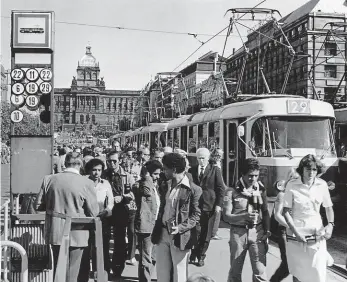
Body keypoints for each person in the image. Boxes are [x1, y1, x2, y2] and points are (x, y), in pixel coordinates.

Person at [35, 152, 99, 282]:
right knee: (73, 271)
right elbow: (94, 212)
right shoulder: (87, 183)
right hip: (78, 232)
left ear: (64, 164)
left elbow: (37, 205)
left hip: (55, 231)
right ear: (80, 164)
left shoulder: (49, 179)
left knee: (58, 269)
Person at [282, 154, 334, 282]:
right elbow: (285, 212)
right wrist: (296, 232)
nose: (311, 172)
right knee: (299, 274)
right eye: (308, 169)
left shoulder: (322, 185)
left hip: (317, 236)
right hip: (296, 237)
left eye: (315, 170)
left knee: (318, 273)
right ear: (302, 170)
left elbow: (328, 208)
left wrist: (331, 225)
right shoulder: (292, 185)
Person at [151, 153, 202, 282]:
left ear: (174, 170)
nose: (163, 171)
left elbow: (196, 215)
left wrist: (180, 227)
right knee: (162, 273)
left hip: (180, 236)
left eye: (165, 168)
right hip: (162, 233)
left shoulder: (193, 189)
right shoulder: (165, 185)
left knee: (179, 274)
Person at [222, 158, 270, 282]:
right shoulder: (231, 191)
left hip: (257, 232)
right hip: (238, 234)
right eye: (250, 176)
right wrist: (244, 216)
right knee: (235, 271)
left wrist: (267, 230)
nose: (253, 179)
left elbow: (265, 212)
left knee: (260, 271)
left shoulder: (261, 189)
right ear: (242, 174)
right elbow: (226, 216)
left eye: (256, 176)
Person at [79, 158, 114, 281]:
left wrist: (107, 211)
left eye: (99, 170)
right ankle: (84, 275)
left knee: (102, 248)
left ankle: (101, 275)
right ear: (89, 170)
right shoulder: (82, 182)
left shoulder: (105, 183)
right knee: (86, 248)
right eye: (94, 170)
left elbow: (110, 202)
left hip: (102, 220)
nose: (96, 173)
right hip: (86, 220)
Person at [103, 150, 136, 279]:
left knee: (120, 241)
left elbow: (134, 194)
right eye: (109, 161)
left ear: (120, 161)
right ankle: (105, 268)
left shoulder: (127, 176)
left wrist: (122, 197)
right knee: (104, 240)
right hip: (106, 211)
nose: (112, 163)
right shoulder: (103, 175)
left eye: (114, 161)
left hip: (121, 210)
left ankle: (118, 269)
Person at [189, 148, 224, 266]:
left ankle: (201, 256)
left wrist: (219, 205)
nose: (201, 161)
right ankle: (194, 251)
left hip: (210, 206)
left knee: (206, 233)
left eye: (203, 158)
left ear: (208, 158)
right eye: (199, 158)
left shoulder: (215, 170)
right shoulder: (191, 170)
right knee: (195, 232)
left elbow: (220, 189)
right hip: (195, 206)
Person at [134, 160, 162, 282]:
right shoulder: (142, 184)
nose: (158, 176)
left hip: (156, 224)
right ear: (148, 173)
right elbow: (147, 192)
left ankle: (148, 277)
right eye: (155, 174)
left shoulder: (156, 185)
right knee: (146, 257)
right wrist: (146, 177)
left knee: (154, 256)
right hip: (146, 225)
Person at [269, 169, 298, 282]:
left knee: (297, 264)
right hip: (285, 232)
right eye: (294, 180)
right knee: (287, 264)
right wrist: (291, 227)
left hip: (297, 233)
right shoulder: (282, 195)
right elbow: (277, 215)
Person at [209, 148, 227, 240]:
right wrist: (225, 188)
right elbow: (220, 181)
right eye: (221, 154)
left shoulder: (212, 163)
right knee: (217, 212)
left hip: (213, 191)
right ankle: (214, 233)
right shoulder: (217, 165)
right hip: (216, 192)